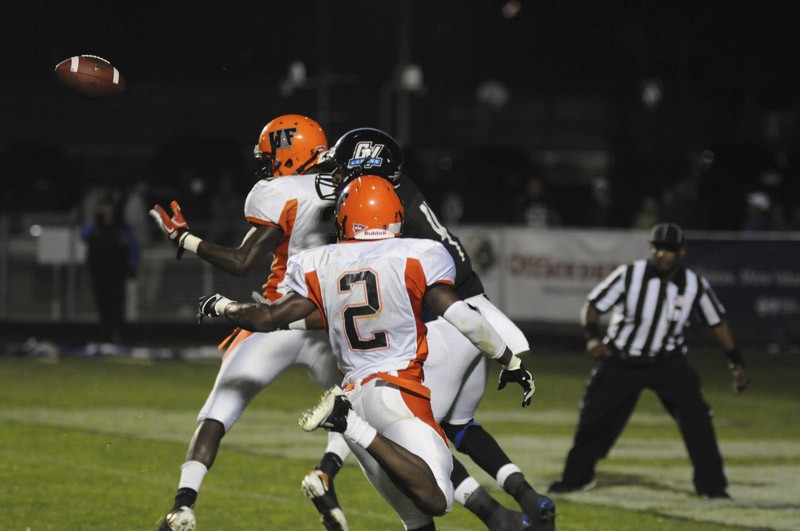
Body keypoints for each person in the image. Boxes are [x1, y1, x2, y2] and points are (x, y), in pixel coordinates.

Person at [195, 176, 536, 531]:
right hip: (396, 392)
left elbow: (268, 317)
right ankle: (349, 425)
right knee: (437, 499)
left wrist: (223, 306)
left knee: (416, 522)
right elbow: (465, 318)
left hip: (357, 392)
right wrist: (510, 361)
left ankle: (351, 424)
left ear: (346, 217)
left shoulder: (323, 262)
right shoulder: (416, 256)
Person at [314, 128, 555, 531]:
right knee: (458, 425)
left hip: (448, 320)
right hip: (475, 309)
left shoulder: (375, 205)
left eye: (341, 170)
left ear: (366, 170)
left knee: (409, 445)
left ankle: (498, 518)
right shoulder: (399, 191)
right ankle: (528, 500)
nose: (335, 179)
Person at [149, 114, 344, 531]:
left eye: (272, 155)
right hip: (328, 319)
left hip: (276, 314)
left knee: (219, 409)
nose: (266, 163)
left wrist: (185, 239)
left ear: (290, 154)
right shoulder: (345, 185)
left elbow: (241, 263)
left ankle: (183, 506)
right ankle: (325, 473)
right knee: (355, 409)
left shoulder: (276, 192)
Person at [548, 222, 750, 498]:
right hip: (622, 359)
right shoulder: (630, 274)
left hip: (667, 363)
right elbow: (593, 305)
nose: (661, 255)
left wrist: (736, 363)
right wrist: (593, 338)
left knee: (698, 420)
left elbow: (718, 324)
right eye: (657, 248)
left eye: (668, 250)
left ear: (682, 251)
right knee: (593, 419)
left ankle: (712, 487)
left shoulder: (694, 285)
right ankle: (575, 478)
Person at [80, 188, 140, 346]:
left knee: (117, 305)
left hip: (116, 273)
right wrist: (97, 220)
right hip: (99, 272)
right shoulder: (95, 226)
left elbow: (132, 247)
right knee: (103, 305)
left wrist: (132, 266)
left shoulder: (121, 226)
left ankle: (119, 335)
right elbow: (83, 235)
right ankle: (105, 335)